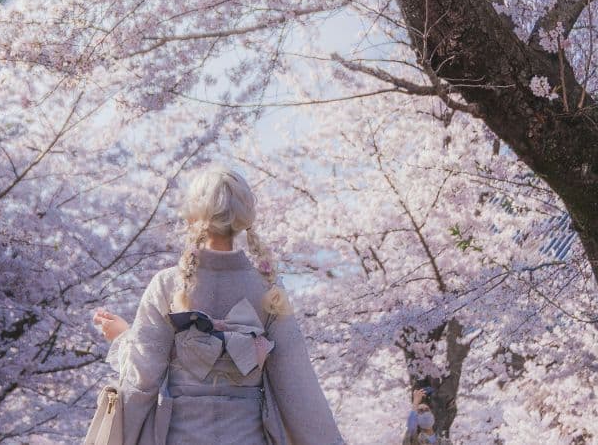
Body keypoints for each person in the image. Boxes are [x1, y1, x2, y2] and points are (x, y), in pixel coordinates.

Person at [92, 164, 431, 445]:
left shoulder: (167, 285)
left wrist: (123, 338)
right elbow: (298, 389)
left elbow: (141, 382)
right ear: (244, 217)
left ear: (192, 214)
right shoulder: (268, 289)